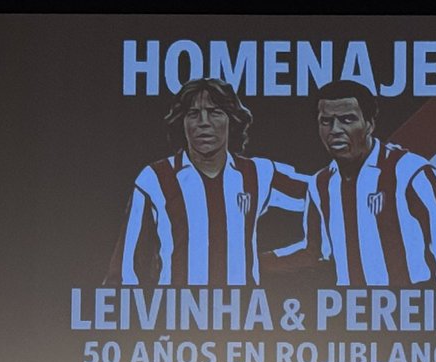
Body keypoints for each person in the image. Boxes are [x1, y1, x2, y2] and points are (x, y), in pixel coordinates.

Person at [106, 77, 308, 286]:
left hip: (245, 315)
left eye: (215, 112)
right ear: (182, 122)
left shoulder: (257, 173)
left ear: (231, 120)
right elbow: (124, 270)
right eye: (193, 114)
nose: (204, 122)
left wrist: (285, 258)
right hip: (176, 315)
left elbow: (324, 192)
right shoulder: (155, 178)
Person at [281, 79, 436, 286]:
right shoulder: (320, 183)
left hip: (410, 312)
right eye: (326, 121)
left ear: (369, 124)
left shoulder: (410, 171)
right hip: (351, 313)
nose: (335, 129)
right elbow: (316, 252)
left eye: (347, 119)